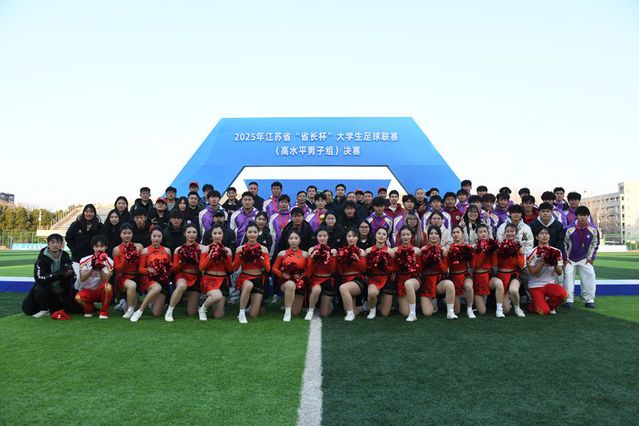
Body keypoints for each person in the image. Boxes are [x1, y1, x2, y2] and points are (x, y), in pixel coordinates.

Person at [25, 234, 78, 317]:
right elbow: (39, 279)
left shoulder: (65, 256)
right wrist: (58, 274)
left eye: (58, 242)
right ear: (48, 244)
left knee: (76, 309)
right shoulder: (41, 260)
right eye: (52, 242)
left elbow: (68, 272)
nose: (55, 245)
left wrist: (69, 273)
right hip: (47, 290)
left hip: (62, 291)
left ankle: (58, 306)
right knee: (36, 294)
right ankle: (44, 309)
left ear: (61, 244)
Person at [131, 229, 171, 321]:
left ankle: (152, 301)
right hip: (149, 279)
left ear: (162, 238)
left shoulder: (167, 250)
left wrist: (163, 272)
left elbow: (169, 267)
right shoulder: (145, 251)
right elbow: (140, 269)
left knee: (156, 313)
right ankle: (139, 311)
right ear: (150, 237)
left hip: (162, 280)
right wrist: (149, 270)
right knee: (157, 288)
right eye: (154, 236)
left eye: (159, 236)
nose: (156, 239)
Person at [234, 222, 271, 323]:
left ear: (258, 233)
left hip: (259, 280)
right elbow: (235, 268)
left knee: (253, 315)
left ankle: (249, 307)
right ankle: (241, 312)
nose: (252, 234)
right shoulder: (240, 249)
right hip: (245, 278)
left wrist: (261, 259)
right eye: (249, 232)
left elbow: (268, 269)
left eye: (254, 232)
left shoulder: (263, 249)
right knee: (249, 285)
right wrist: (239, 256)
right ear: (246, 233)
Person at [564, 206, 599, 308]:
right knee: (568, 277)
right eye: (580, 215)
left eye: (585, 215)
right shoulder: (569, 229)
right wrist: (565, 259)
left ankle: (589, 299)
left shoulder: (593, 229)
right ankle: (569, 299)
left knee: (590, 275)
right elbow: (564, 244)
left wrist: (590, 258)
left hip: (585, 259)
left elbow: (595, 244)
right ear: (576, 216)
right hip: (570, 259)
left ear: (588, 216)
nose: (583, 217)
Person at [165, 224, 202, 321]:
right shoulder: (178, 249)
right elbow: (174, 269)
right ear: (185, 234)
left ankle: (194, 303)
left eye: (194, 232)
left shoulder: (202, 248)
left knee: (191, 313)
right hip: (182, 275)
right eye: (189, 232)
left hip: (195, 277)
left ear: (197, 234)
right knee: (181, 286)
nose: (191, 235)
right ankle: (169, 311)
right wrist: (181, 261)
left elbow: (203, 267)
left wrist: (197, 258)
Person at [419, 226, 457, 319]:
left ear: (440, 236)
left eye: (436, 234)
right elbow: (419, 268)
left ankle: (450, 312)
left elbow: (444, 270)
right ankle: (435, 302)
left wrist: (439, 258)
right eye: (431, 233)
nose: (433, 236)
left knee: (449, 284)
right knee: (428, 313)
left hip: (439, 282)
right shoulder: (423, 249)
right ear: (428, 236)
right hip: (427, 284)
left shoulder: (444, 250)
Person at [527, 228, 567, 315]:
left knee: (563, 294)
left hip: (549, 284)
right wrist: (542, 261)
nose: (544, 235)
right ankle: (533, 305)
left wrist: (554, 262)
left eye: (546, 234)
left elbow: (559, 273)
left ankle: (550, 305)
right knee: (544, 311)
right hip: (535, 286)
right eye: (542, 233)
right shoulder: (531, 252)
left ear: (549, 236)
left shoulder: (557, 251)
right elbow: (532, 273)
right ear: (537, 237)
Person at [198, 225, 233, 320]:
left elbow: (230, 270)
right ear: (211, 235)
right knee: (217, 296)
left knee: (218, 315)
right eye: (215, 233)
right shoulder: (206, 249)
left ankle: (214, 303)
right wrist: (209, 256)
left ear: (223, 235)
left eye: (220, 233)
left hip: (223, 281)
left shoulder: (228, 250)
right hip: (210, 279)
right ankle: (202, 309)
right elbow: (201, 268)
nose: (217, 236)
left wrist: (226, 257)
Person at [272, 231, 308, 321]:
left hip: (299, 283)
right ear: (288, 240)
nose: (293, 241)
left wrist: (301, 276)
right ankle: (287, 312)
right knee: (290, 285)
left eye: (296, 238)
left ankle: (287, 305)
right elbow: (274, 268)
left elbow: (309, 270)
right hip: (286, 282)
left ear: (300, 240)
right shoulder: (282, 253)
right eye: (291, 238)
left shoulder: (305, 254)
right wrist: (282, 274)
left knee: (295, 312)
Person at [75, 235, 114, 319]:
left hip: (100, 291)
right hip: (87, 290)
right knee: (78, 297)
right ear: (93, 247)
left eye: (102, 246)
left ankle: (104, 311)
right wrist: (93, 267)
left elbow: (106, 280)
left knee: (108, 287)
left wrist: (100, 267)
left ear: (106, 247)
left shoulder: (110, 261)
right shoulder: (84, 260)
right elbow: (82, 278)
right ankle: (89, 309)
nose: (99, 249)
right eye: (96, 246)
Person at [471, 224, 505, 318]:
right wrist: (483, 251)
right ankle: (476, 301)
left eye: (485, 231)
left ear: (488, 233)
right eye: (480, 232)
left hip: (489, 275)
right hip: (478, 278)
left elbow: (494, 264)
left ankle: (499, 310)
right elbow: (475, 265)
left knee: (499, 283)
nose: (483, 234)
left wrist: (493, 251)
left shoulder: (491, 245)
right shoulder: (474, 247)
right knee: (482, 312)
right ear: (477, 234)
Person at [111, 224, 143, 319]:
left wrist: (134, 257)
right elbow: (117, 269)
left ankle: (125, 304)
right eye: (124, 233)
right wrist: (126, 259)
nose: (127, 235)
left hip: (136, 277)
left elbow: (141, 264)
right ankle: (130, 309)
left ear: (132, 234)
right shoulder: (116, 249)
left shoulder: (139, 247)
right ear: (120, 235)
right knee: (132, 285)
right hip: (123, 277)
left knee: (132, 304)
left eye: (129, 233)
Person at [494, 223, 526, 317]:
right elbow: (495, 264)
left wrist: (519, 253)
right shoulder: (500, 246)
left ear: (516, 233)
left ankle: (517, 308)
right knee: (506, 310)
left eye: (512, 231)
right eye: (507, 231)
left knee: (513, 290)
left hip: (513, 275)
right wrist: (498, 252)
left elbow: (521, 265)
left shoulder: (518, 247)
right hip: (501, 275)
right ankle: (504, 305)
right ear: (504, 233)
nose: (510, 233)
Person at [364, 227, 395, 319]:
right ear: (375, 235)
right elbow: (366, 268)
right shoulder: (368, 250)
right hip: (374, 279)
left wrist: (385, 266)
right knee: (372, 293)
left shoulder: (390, 251)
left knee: (385, 314)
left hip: (387, 280)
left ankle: (379, 303)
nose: (381, 236)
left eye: (384, 234)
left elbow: (394, 268)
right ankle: (372, 310)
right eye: (379, 233)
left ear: (386, 237)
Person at [306, 228, 338, 319]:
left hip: (328, 279)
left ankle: (329, 304)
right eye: (320, 236)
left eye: (324, 236)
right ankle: (310, 310)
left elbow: (332, 270)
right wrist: (312, 257)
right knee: (316, 290)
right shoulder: (312, 249)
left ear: (328, 237)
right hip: (316, 279)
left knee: (324, 314)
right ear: (316, 237)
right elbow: (309, 270)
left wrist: (329, 257)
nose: (322, 238)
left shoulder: (333, 251)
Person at [392, 226, 421, 322]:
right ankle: (404, 306)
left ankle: (413, 314)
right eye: (403, 235)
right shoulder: (395, 250)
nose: (405, 237)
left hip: (413, 278)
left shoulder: (417, 250)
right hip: (400, 281)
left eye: (408, 234)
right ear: (400, 236)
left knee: (409, 283)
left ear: (412, 236)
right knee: (405, 312)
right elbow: (392, 267)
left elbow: (420, 268)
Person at [447, 226, 476, 318]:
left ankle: (470, 309)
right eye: (454, 233)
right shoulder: (448, 248)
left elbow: (472, 264)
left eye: (458, 232)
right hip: (453, 277)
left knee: (468, 286)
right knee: (457, 311)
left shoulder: (467, 247)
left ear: (462, 234)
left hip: (464, 275)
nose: (456, 234)